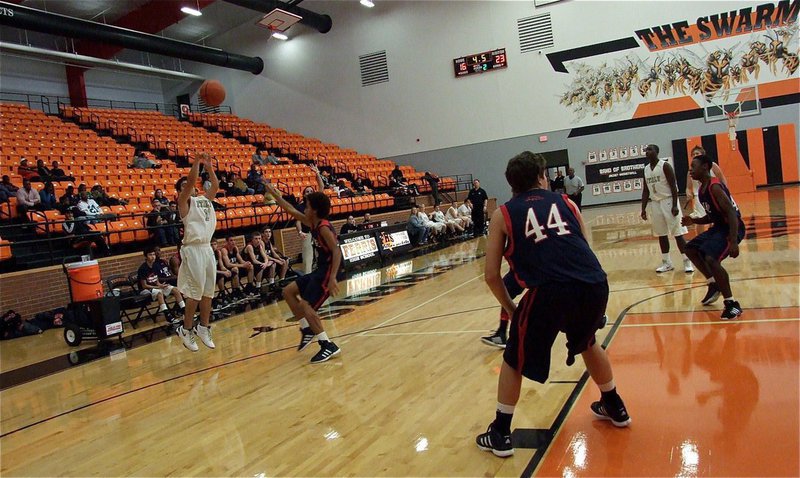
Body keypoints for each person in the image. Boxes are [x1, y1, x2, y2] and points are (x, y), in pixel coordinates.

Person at [475, 152, 630, 458]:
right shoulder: (567, 202)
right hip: (595, 284)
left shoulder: (502, 214)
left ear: (511, 184)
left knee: (513, 358)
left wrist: (511, 308)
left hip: (550, 290)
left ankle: (501, 432)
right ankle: (615, 405)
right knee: (586, 341)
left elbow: (492, 275)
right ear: (542, 177)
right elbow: (586, 246)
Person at [263, 180, 343, 363]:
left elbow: (337, 251)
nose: (304, 208)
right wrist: (274, 193)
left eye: (306, 206)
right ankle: (307, 329)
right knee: (288, 291)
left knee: (307, 306)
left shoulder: (322, 227)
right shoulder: (312, 222)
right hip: (320, 270)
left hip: (328, 271)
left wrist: (332, 279)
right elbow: (290, 210)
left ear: (313, 210)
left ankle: (328, 345)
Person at [682, 155, 745, 320]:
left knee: (711, 258)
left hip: (732, 227)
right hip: (719, 227)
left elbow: (731, 214)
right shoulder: (702, 190)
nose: (690, 169)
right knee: (690, 249)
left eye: (693, 166)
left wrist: (733, 241)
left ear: (705, 167)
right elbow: (712, 216)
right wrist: (693, 220)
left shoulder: (715, 187)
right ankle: (713, 284)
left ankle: (732, 304)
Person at [174, 153, 219, 352]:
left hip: (207, 248)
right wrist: (196, 163)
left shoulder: (204, 200)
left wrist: (209, 167)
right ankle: (185, 329)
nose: (189, 186)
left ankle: (203, 327)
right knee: (195, 294)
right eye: (184, 185)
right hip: (193, 250)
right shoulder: (184, 202)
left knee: (209, 292)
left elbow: (215, 186)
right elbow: (192, 180)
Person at [641, 144, 694, 273]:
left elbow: (673, 187)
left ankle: (687, 261)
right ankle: (667, 262)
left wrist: (675, 204)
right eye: (646, 150)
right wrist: (643, 208)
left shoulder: (665, 166)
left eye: (650, 149)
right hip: (655, 203)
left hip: (668, 201)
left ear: (656, 152)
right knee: (661, 234)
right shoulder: (646, 169)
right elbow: (645, 190)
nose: (647, 152)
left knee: (677, 233)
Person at [138, 246, 186, 317]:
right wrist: (158, 287)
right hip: (146, 290)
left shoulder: (154, 266)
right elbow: (144, 285)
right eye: (150, 255)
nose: (153, 257)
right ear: (146, 256)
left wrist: (160, 285)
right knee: (159, 293)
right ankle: (167, 315)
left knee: (175, 289)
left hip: (155, 287)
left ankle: (184, 309)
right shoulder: (143, 268)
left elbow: (156, 280)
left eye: (153, 254)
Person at [684, 146, 728, 219]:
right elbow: (688, 187)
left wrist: (725, 190)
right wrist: (688, 193)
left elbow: (722, 179)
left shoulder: (713, 165)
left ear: (703, 155)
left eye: (697, 153)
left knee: (716, 214)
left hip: (713, 193)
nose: (695, 155)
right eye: (693, 154)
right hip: (698, 196)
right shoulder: (691, 170)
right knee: (698, 217)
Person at [297, 166, 325, 274]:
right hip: (307, 233)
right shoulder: (300, 207)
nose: (309, 192)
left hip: (318, 232)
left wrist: (317, 173)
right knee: (308, 258)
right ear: (304, 194)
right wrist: (300, 232)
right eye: (307, 191)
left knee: (321, 254)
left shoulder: (316, 202)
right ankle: (307, 278)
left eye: (311, 191)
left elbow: (321, 186)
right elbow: (298, 221)